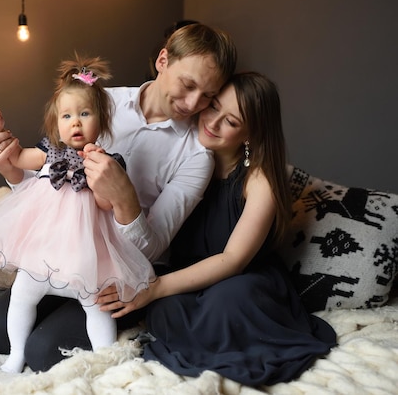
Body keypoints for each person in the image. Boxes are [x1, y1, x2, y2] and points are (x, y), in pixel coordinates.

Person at [0, 23, 238, 372]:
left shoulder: (195, 156)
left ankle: (130, 334)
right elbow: (47, 181)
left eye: (207, 95)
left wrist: (125, 200)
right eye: (188, 85)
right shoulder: (96, 101)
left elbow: (153, 249)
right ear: (163, 60)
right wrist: (8, 165)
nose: (193, 104)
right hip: (65, 249)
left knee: (43, 352)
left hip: (122, 271)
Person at [99, 72, 337, 386]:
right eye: (213, 108)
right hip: (189, 279)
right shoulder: (188, 162)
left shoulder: (258, 178)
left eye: (232, 121)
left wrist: (154, 287)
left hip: (241, 279)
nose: (213, 122)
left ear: (250, 134)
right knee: (164, 310)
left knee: (228, 299)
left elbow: (233, 260)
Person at [0, 55, 156, 373]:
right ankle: (16, 355)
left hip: (84, 255)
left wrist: (104, 184)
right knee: (22, 296)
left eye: (84, 113)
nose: (76, 122)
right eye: (67, 116)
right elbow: (16, 157)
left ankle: (106, 361)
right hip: (42, 251)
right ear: (56, 124)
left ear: (102, 121)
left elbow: (108, 207)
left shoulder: (108, 162)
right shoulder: (48, 151)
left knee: (96, 307)